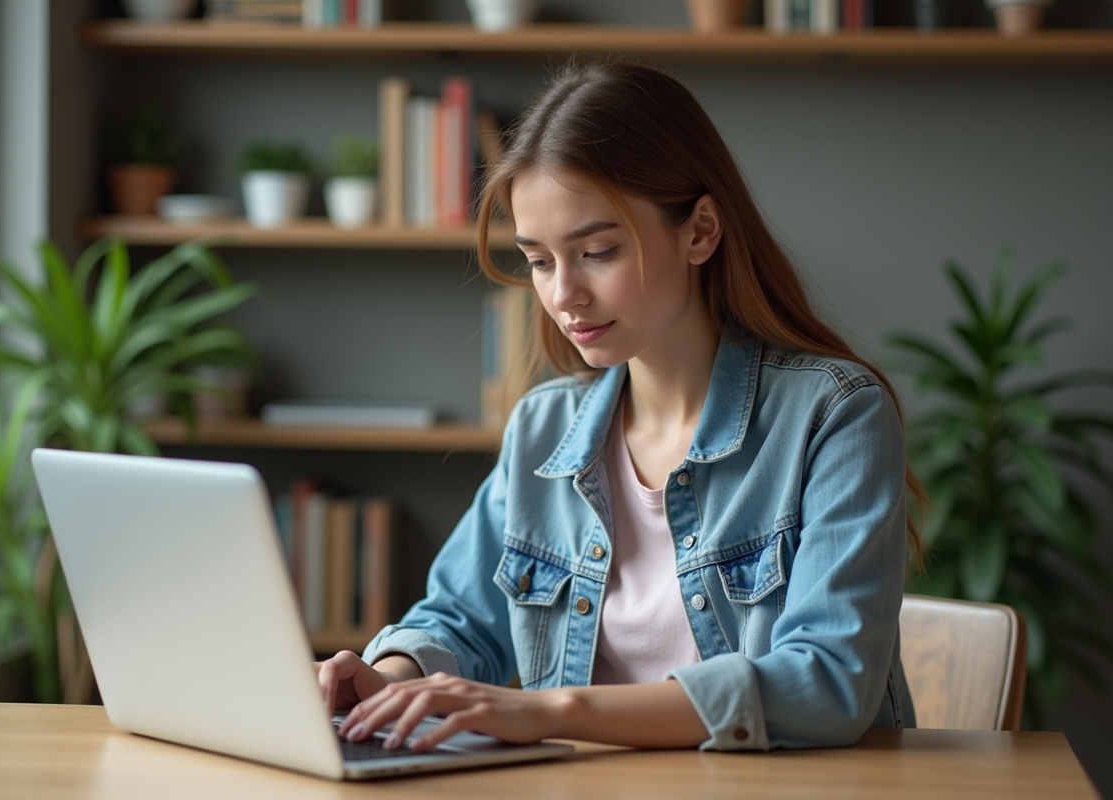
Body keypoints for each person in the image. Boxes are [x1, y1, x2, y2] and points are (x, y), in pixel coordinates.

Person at [316, 60, 923, 753]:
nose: (563, 293)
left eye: (597, 251)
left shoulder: (835, 415)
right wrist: (384, 677)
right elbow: (460, 619)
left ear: (699, 231)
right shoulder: (545, 428)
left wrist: (553, 711)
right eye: (540, 261)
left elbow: (828, 683)